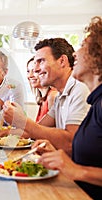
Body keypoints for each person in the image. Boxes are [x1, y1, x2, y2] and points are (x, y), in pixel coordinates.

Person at [34, 16, 102, 199]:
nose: (76, 54)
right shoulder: (96, 101)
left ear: (98, 54)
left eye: (83, 45)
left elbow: (79, 162)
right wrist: (57, 154)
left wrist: (77, 170)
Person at [3, 38, 90, 155]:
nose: (36, 69)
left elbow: (71, 142)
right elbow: (37, 129)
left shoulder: (80, 89)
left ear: (62, 61)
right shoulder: (60, 95)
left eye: (41, 61)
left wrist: (21, 120)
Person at [26, 57, 58, 122]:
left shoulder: (52, 96)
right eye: (28, 71)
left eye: (35, 71)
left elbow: (49, 130)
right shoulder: (42, 99)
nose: (30, 75)